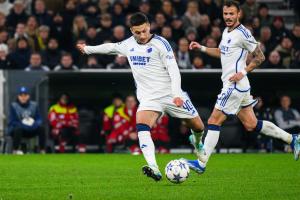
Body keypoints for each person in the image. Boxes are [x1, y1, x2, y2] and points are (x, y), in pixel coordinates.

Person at [77, 12, 205, 181]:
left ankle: (197, 142)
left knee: (198, 127)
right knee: (142, 127)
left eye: (144, 31)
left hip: (171, 94)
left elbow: (174, 71)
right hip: (149, 98)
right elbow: (111, 47)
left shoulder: (161, 43)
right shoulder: (129, 44)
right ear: (131, 31)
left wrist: (176, 94)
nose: (142, 35)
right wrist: (87, 49)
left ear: (149, 26)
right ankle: (154, 167)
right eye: (138, 32)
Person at [186, 0, 300, 174]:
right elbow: (222, 52)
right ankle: (292, 138)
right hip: (237, 86)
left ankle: (201, 164)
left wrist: (243, 72)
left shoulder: (243, 33)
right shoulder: (226, 31)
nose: (228, 17)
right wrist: (201, 47)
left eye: (232, 13)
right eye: (226, 14)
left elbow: (260, 56)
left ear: (239, 14)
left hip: (235, 85)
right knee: (251, 123)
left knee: (213, 121)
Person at [8, 86, 45, 154]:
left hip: (31, 128)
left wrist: (34, 124)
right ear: (18, 97)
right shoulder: (14, 106)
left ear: (28, 96)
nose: (23, 97)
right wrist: (24, 125)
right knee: (17, 129)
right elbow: (13, 121)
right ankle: (15, 150)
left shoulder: (34, 105)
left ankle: (42, 150)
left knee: (41, 128)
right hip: (20, 129)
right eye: (21, 95)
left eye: (25, 95)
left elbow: (39, 118)